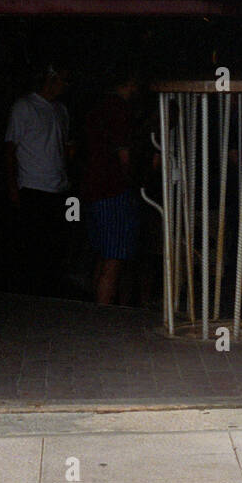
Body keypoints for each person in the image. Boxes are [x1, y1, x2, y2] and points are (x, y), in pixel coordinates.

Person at [4, 63, 71, 294]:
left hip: (59, 187)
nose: (66, 85)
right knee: (33, 243)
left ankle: (50, 289)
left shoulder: (61, 110)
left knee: (58, 240)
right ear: (50, 79)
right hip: (32, 186)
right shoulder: (25, 106)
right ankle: (29, 291)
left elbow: (63, 147)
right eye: (63, 79)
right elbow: (10, 149)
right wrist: (13, 187)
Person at [81, 70, 141, 306]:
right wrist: (133, 180)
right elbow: (124, 156)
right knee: (114, 257)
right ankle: (103, 314)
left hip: (93, 188)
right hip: (113, 189)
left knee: (103, 255)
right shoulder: (119, 109)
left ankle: (96, 310)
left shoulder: (97, 107)